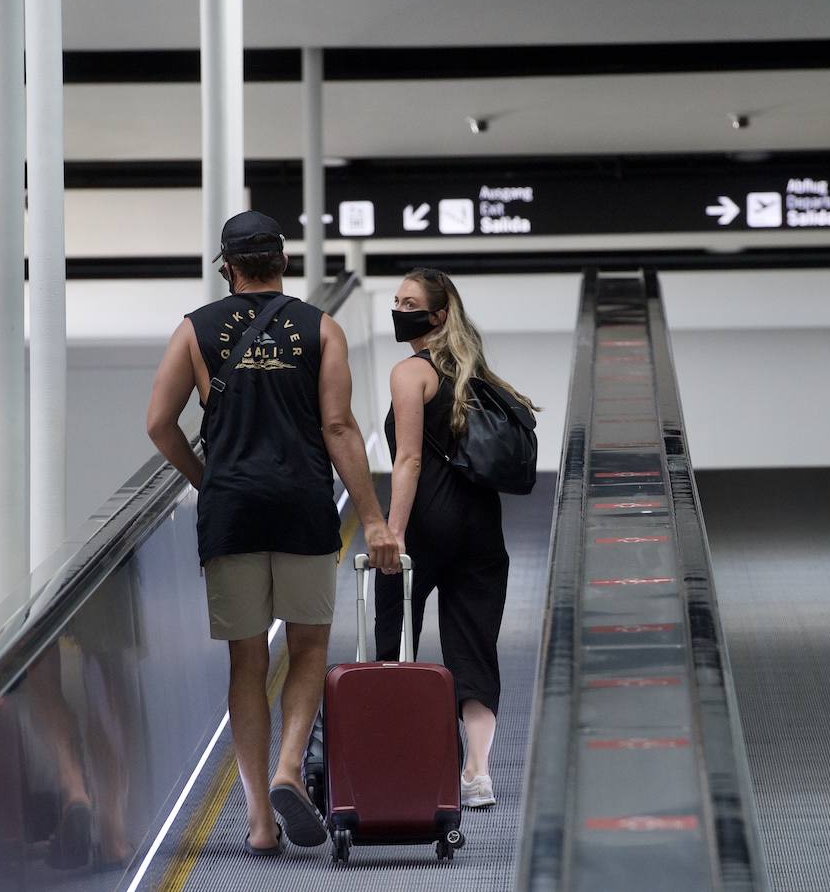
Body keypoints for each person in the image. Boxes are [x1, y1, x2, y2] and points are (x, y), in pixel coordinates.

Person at [146, 211, 398, 855]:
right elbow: (340, 428)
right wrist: (372, 517)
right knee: (309, 648)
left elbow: (159, 424)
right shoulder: (322, 328)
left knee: (246, 658)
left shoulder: (194, 331)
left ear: (226, 268)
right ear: (283, 264)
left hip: (231, 510)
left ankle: (260, 820)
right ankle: (291, 766)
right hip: (303, 506)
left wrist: (209, 479)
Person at [373, 267, 539, 810]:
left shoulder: (409, 373)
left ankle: (407, 761)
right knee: (474, 649)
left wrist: (392, 533)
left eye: (409, 302)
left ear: (438, 315)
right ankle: (476, 772)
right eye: (396, 299)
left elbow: (409, 459)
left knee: (397, 645)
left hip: (425, 525)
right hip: (480, 528)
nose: (399, 309)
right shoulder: (479, 376)